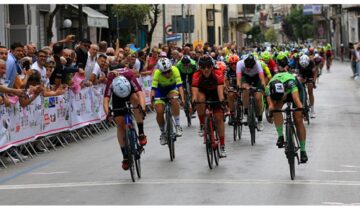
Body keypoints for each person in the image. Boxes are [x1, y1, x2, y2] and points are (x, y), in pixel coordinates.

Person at [103, 69, 147, 170]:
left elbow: (140, 93)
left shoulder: (130, 76)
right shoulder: (111, 80)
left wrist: (143, 108)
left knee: (136, 101)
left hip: (130, 93)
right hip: (117, 97)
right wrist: (108, 114)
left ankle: (141, 132)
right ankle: (125, 156)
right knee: (120, 124)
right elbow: (106, 99)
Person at [265, 72, 308, 163]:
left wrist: (302, 110)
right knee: (276, 109)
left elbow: (296, 100)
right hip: (279, 93)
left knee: (298, 118)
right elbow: (271, 105)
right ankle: (280, 136)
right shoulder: (268, 88)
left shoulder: (291, 83)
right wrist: (271, 113)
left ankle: (303, 151)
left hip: (295, 91)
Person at [192, 55, 227, 157]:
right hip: (203, 93)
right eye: (203, 67)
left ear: (212, 66)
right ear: (200, 68)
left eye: (208, 67)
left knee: (218, 118)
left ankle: (222, 146)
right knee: (199, 99)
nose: (206, 69)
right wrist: (193, 100)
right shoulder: (196, 75)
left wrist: (221, 101)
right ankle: (202, 124)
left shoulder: (218, 73)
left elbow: (220, 91)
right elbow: (195, 89)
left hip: (215, 93)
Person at [151, 57, 185, 145]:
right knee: (159, 111)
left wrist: (182, 98)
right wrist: (152, 101)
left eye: (168, 71)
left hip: (172, 88)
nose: (167, 74)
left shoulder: (175, 70)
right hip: (160, 90)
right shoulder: (157, 73)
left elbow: (180, 86)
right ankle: (163, 133)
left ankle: (177, 125)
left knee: (174, 100)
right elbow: (153, 89)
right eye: (164, 72)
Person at [236, 54, 266, 131]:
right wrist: (239, 87)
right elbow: (239, 78)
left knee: (258, 97)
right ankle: (245, 113)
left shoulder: (258, 64)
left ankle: (259, 120)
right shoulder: (240, 63)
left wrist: (263, 87)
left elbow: (262, 78)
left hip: (256, 78)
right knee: (245, 89)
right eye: (247, 67)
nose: (249, 69)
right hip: (246, 77)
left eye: (251, 67)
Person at [224, 54, 239, 125]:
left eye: (235, 64)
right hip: (232, 86)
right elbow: (225, 80)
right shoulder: (227, 70)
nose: (234, 66)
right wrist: (227, 87)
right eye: (232, 64)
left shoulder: (241, 69)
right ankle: (232, 114)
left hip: (240, 85)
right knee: (230, 94)